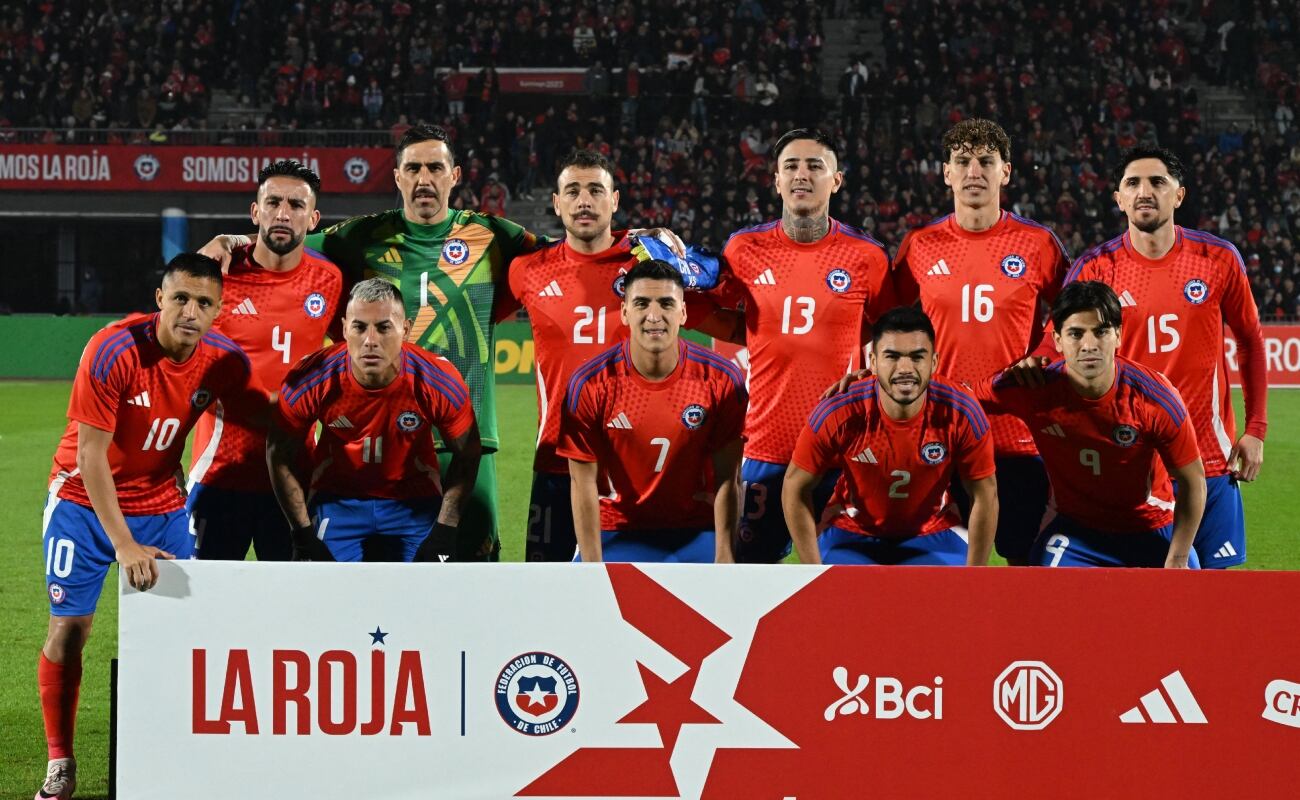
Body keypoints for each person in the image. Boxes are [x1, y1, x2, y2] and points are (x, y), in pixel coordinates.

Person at [202, 124, 540, 562]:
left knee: (473, 569)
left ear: (455, 175)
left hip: (467, 436)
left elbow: (564, 254)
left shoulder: (494, 235)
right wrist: (232, 239)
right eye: (412, 168)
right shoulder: (362, 235)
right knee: (368, 578)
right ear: (397, 177)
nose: (424, 179)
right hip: (381, 440)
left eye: (435, 168)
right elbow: (285, 235)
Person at [36, 255, 265, 800]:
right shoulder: (113, 349)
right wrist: (124, 545)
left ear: (218, 310)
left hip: (161, 505)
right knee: (70, 631)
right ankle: (61, 761)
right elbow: (90, 457)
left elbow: (259, 423)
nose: (190, 312)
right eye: (180, 298)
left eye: (204, 303)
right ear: (160, 298)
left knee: (186, 633)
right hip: (81, 502)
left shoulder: (225, 360)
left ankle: (177, 758)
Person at [1064, 146, 1267, 568]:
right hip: (1133, 463)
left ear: (1179, 194)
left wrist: (1256, 429)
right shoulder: (1095, 268)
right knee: (1139, 594)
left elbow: (1249, 341)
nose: (1145, 192)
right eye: (1132, 183)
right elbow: (1062, 351)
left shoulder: (1218, 259)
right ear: (1119, 198)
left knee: (1214, 591)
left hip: (1211, 457)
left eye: (1157, 182)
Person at [707, 127, 895, 563]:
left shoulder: (866, 256)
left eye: (815, 166)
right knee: (749, 576)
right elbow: (716, 314)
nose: (801, 175)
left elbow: (893, 334)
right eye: (790, 166)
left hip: (841, 451)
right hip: (764, 447)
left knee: (843, 580)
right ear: (776, 180)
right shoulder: (743, 248)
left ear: (837, 180)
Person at [892, 118, 1071, 565]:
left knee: (1024, 566)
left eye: (986, 161)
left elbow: (1073, 313)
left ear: (1005, 172)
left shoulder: (1038, 244)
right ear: (947, 172)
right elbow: (885, 321)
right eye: (963, 161)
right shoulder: (920, 244)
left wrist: (1041, 356)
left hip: (1017, 435)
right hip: (940, 431)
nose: (974, 171)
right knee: (939, 568)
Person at [972, 281, 1206, 568]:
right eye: (1076, 333)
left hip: (1151, 526)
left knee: (1186, 590)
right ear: (1057, 340)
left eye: (1101, 331)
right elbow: (963, 400)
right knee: (1041, 589)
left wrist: (1178, 558)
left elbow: (1193, 482)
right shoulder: (1033, 388)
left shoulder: (1155, 398)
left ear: (1118, 335)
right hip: (1076, 530)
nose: (1089, 345)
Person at [187, 160, 344, 562]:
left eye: (296, 205)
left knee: (292, 599)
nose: (283, 213)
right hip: (220, 475)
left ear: (313, 220)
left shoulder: (330, 279)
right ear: (256, 212)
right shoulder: (217, 276)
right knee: (205, 597)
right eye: (273, 202)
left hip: (295, 479)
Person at [267, 278, 481, 562]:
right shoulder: (311, 376)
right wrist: (302, 535)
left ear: (405, 330)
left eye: (383, 327)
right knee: (323, 588)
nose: (370, 341)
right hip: (337, 500)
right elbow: (278, 454)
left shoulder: (438, 380)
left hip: (414, 502)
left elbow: (468, 453)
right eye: (359, 327)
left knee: (427, 588)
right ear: (344, 328)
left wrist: (445, 530)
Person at [494, 149, 637, 562]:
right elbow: (479, 315)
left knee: (631, 588)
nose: (584, 201)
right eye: (572, 191)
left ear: (614, 200)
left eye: (595, 190)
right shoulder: (528, 269)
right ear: (556, 203)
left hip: (631, 461)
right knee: (547, 590)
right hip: (556, 459)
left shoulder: (645, 265)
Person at [558, 260, 746, 563]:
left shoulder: (722, 379)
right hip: (616, 532)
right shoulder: (590, 383)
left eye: (666, 304)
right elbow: (583, 483)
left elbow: (729, 478)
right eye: (642, 303)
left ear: (683, 312)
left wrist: (725, 558)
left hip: (697, 533)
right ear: (624, 312)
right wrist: (592, 568)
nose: (654, 316)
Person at [785, 306, 996, 565]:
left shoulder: (962, 410)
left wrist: (975, 577)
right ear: (873, 362)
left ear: (934, 362)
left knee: (949, 592)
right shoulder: (839, 410)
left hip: (934, 531)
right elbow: (794, 487)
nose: (905, 368)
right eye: (892, 356)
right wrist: (812, 571)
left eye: (917, 357)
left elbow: (985, 495)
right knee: (838, 592)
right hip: (850, 530)